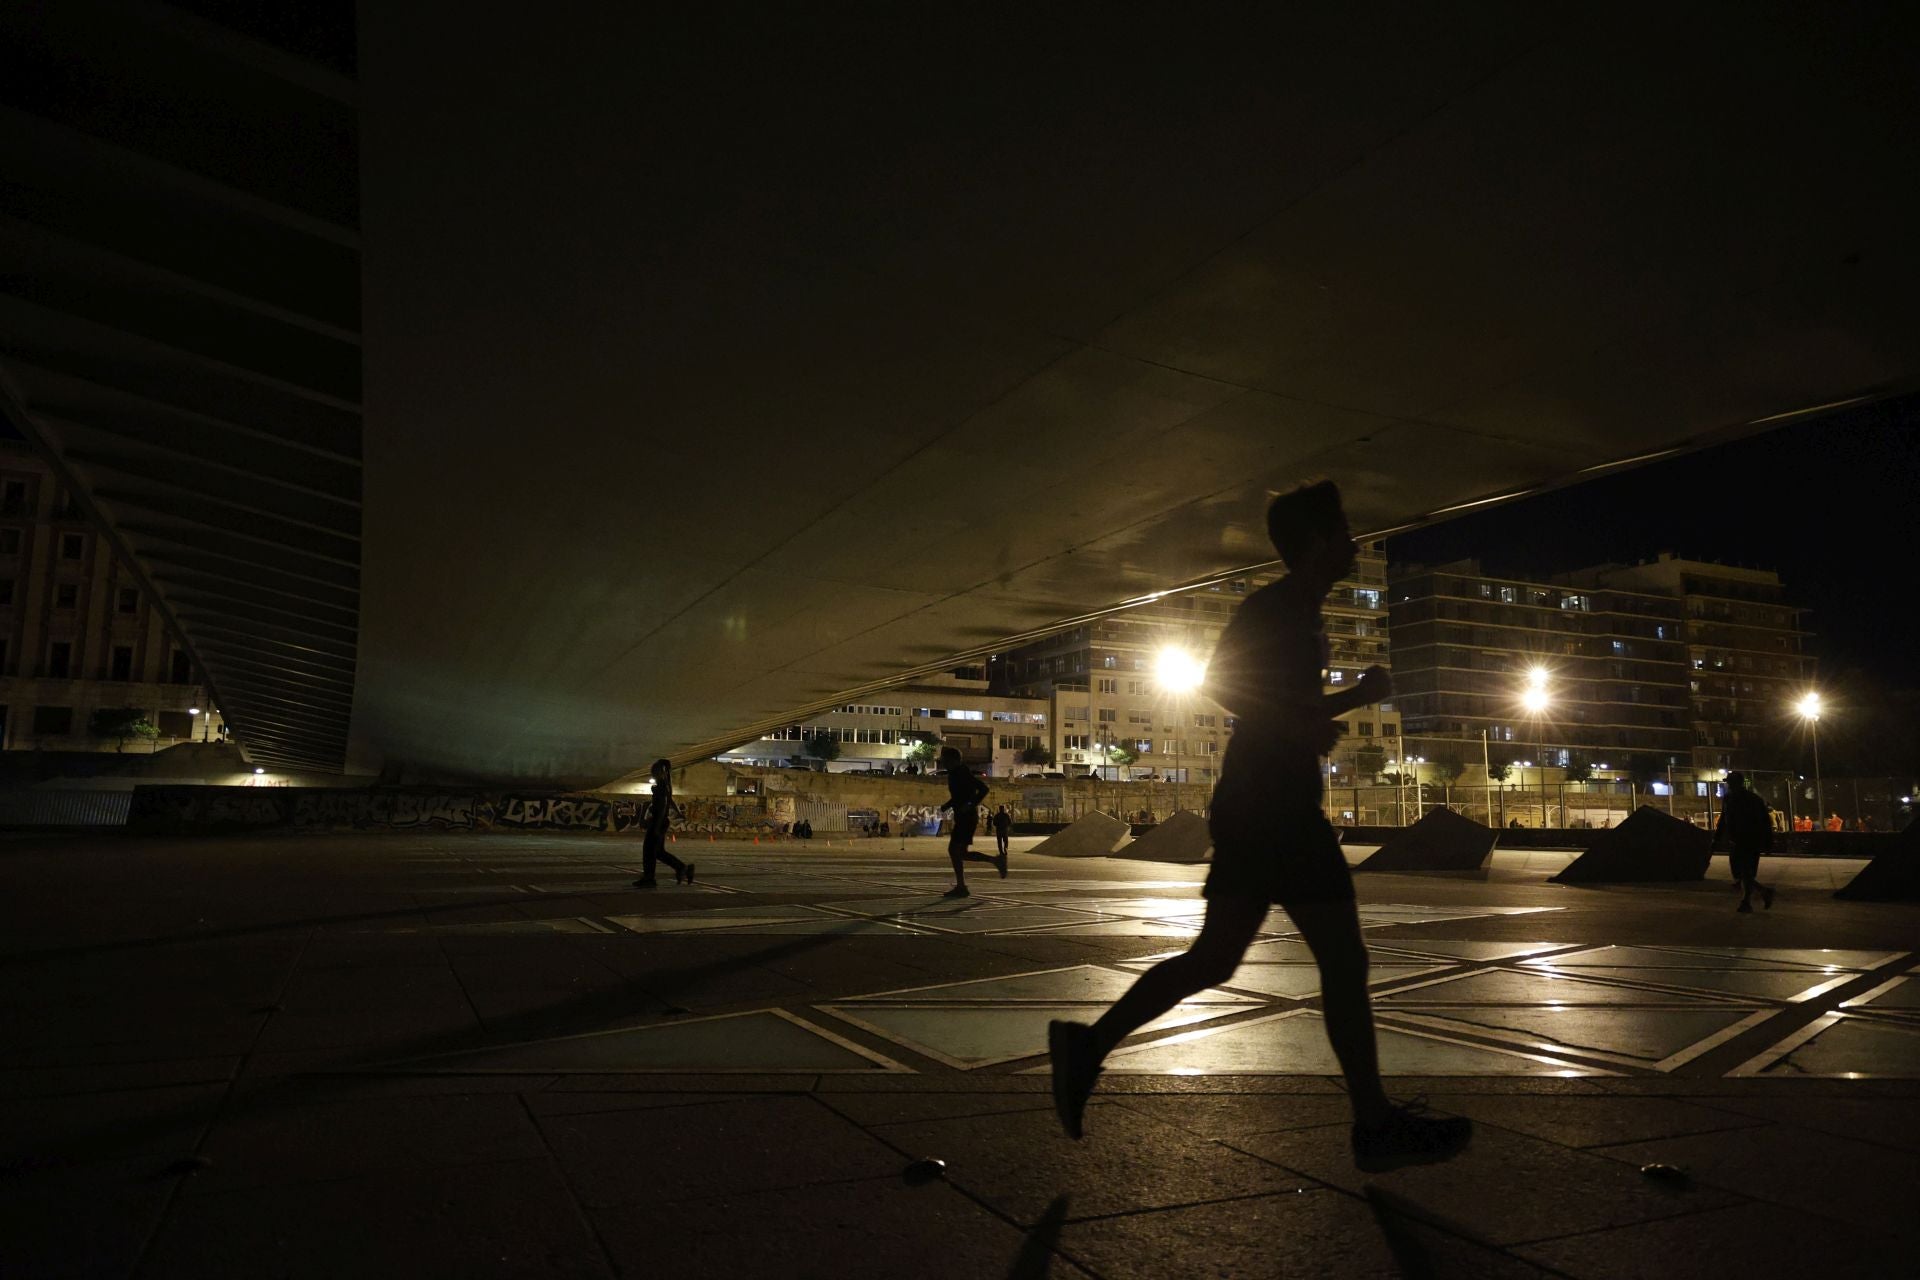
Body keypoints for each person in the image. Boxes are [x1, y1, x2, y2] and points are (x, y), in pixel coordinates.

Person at [1048, 480, 1471, 1172]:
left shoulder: (1300, 612)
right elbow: (1224, 684)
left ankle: (1087, 1047)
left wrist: (1345, 701)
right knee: (1341, 959)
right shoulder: (1275, 608)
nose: (1354, 545)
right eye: (1342, 533)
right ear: (1313, 543)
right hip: (1271, 806)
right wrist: (1309, 719)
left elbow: (1279, 706)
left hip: (1263, 801)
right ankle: (1374, 1127)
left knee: (1216, 959)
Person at [937, 746, 1003, 896]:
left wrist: (969, 805)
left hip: (967, 818)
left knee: (954, 850)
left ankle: (962, 886)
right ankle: (995, 861)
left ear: (953, 760)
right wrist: (947, 805)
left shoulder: (961, 772)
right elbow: (959, 795)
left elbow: (983, 789)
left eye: (945, 760)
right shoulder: (955, 773)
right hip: (963, 817)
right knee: (961, 853)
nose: (943, 762)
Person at [1712, 771, 1774, 913]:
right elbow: (1724, 819)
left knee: (1745, 872)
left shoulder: (1752, 800)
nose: (1728, 785)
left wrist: (1767, 842)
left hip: (1749, 840)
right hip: (1738, 841)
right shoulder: (1730, 799)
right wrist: (1717, 837)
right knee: (1741, 874)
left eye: (1730, 782)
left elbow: (1764, 822)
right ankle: (1762, 892)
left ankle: (1747, 902)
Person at [632, 758, 693, 887]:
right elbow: (669, 801)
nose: (653, 774)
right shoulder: (666, 785)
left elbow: (663, 804)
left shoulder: (661, 786)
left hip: (658, 821)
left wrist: (656, 826)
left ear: (661, 771)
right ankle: (682, 868)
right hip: (661, 821)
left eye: (655, 771)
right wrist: (677, 812)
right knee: (658, 852)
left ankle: (649, 878)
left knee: (648, 851)